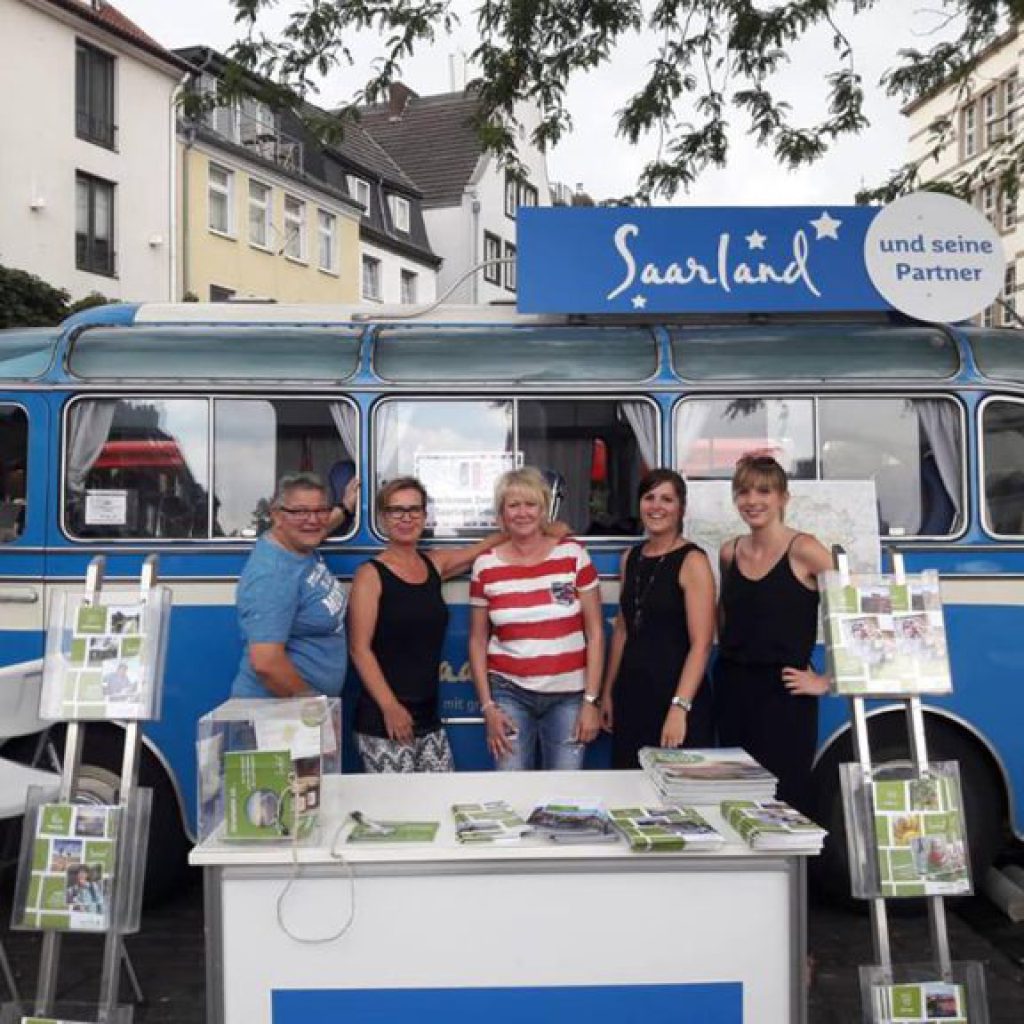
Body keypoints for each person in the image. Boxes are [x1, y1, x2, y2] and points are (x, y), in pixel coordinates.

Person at [348, 477, 511, 773]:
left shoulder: (434, 565)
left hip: (428, 718)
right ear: (383, 519)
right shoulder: (370, 575)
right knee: (401, 815)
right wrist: (390, 707)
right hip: (383, 718)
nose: (406, 518)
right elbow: (360, 649)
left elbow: (490, 544)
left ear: (425, 516)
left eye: (414, 510)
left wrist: (548, 530)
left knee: (441, 803)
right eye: (396, 510)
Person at [714, 455, 832, 815]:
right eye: (744, 492)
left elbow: (859, 610)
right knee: (738, 798)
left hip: (784, 693)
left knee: (786, 796)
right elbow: (725, 613)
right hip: (733, 687)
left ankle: (796, 874)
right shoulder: (730, 552)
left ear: (783, 498)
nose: (753, 501)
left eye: (764, 491)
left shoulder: (806, 551)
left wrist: (828, 680)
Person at [469, 467, 604, 770]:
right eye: (513, 505)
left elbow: (595, 633)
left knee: (564, 795)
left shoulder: (574, 555)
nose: (522, 513)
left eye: (531, 504)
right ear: (501, 514)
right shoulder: (485, 566)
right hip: (509, 692)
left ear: (544, 510)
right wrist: (488, 707)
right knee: (511, 786)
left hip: (569, 695)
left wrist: (591, 701)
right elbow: (477, 640)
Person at [601, 469, 715, 768]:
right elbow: (624, 630)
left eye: (667, 499)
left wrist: (680, 708)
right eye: (649, 497)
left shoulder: (693, 561)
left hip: (676, 697)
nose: (656, 506)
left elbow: (701, 644)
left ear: (681, 509)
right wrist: (609, 692)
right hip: (633, 696)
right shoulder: (631, 558)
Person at [231, 471, 356, 698]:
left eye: (321, 510)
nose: (313, 519)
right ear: (277, 516)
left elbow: (316, 527)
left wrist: (346, 507)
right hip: (280, 717)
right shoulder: (271, 575)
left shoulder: (296, 543)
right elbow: (266, 664)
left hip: (297, 712)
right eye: (300, 511)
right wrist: (315, 711)